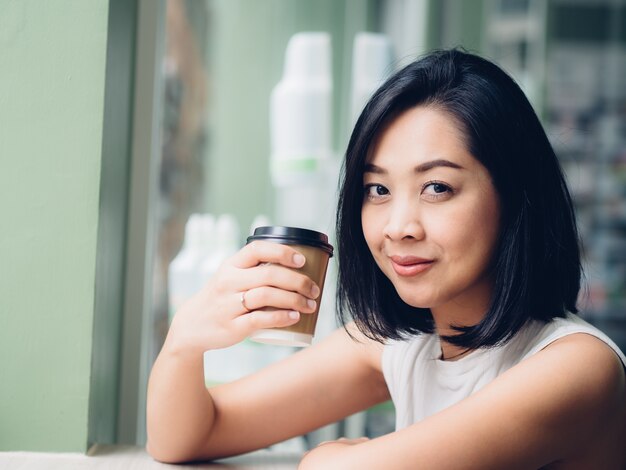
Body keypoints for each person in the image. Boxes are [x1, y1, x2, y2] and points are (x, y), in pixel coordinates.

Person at [146, 49, 626, 468]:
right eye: (378, 189)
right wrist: (185, 341)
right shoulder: (401, 345)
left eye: (437, 188)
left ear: (514, 197)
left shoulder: (578, 368)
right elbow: (187, 437)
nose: (398, 226)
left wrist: (325, 459)